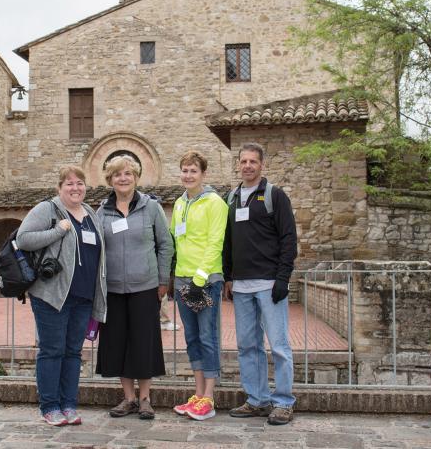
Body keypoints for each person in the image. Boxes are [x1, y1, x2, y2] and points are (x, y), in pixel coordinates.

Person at [16, 165, 107, 427]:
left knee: (73, 352)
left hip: (83, 296)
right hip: (52, 295)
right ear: (59, 187)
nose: (75, 188)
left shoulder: (90, 213)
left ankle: (69, 405)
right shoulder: (48, 209)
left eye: (80, 183)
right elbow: (24, 239)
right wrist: (59, 231)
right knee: (52, 350)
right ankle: (50, 406)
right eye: (69, 183)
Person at [222, 143, 298, 425]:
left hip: (269, 285)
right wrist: (228, 276)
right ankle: (257, 400)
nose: (248, 166)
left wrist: (282, 278)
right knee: (247, 346)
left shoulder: (274, 196)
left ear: (261, 165)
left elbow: (289, 239)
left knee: (278, 345)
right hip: (240, 286)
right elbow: (227, 242)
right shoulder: (231, 198)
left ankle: (284, 402)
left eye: (253, 161)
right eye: (243, 161)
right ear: (238, 165)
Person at [96, 155, 173, 420]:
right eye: (117, 174)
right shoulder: (102, 211)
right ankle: (128, 398)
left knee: (143, 343)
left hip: (145, 287)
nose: (123, 178)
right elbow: (96, 248)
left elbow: (165, 244)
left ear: (136, 177)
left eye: (128, 173)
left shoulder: (151, 207)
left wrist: (163, 281)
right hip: (113, 290)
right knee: (118, 343)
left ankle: (145, 399)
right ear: (110, 179)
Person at [170, 150, 228, 421]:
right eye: (184, 170)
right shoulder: (180, 203)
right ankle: (197, 394)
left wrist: (200, 278)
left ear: (203, 174)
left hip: (204, 281)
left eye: (193, 171)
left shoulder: (215, 202)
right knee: (192, 338)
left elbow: (215, 242)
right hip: (182, 279)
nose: (188, 175)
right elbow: (175, 240)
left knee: (208, 337)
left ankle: (210, 397)